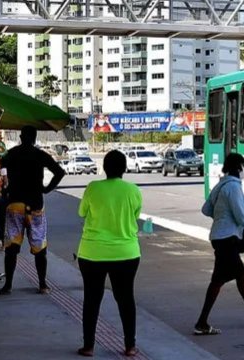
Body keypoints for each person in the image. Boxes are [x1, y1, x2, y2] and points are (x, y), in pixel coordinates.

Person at [193, 153, 244, 335]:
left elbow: (206, 209)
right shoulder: (233, 187)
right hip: (227, 238)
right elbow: (242, 217)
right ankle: (202, 322)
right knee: (227, 278)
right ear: (239, 167)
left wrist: (221, 215)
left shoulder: (220, 185)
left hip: (219, 236)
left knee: (236, 276)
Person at [76, 150, 143, 357]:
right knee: (125, 299)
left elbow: (82, 212)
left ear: (104, 168)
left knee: (91, 299)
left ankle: (88, 346)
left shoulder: (92, 188)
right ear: (124, 168)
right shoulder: (133, 190)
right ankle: (130, 346)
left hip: (92, 253)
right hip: (126, 252)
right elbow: (136, 215)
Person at [0, 126, 66, 295]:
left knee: (11, 248)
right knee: (40, 248)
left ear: (21, 137)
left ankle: (8, 285)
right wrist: (47, 189)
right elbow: (59, 172)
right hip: (35, 206)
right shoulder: (40, 155)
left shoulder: (11, 154)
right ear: (35, 138)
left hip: (15, 205)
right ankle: (42, 285)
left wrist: (5, 189)